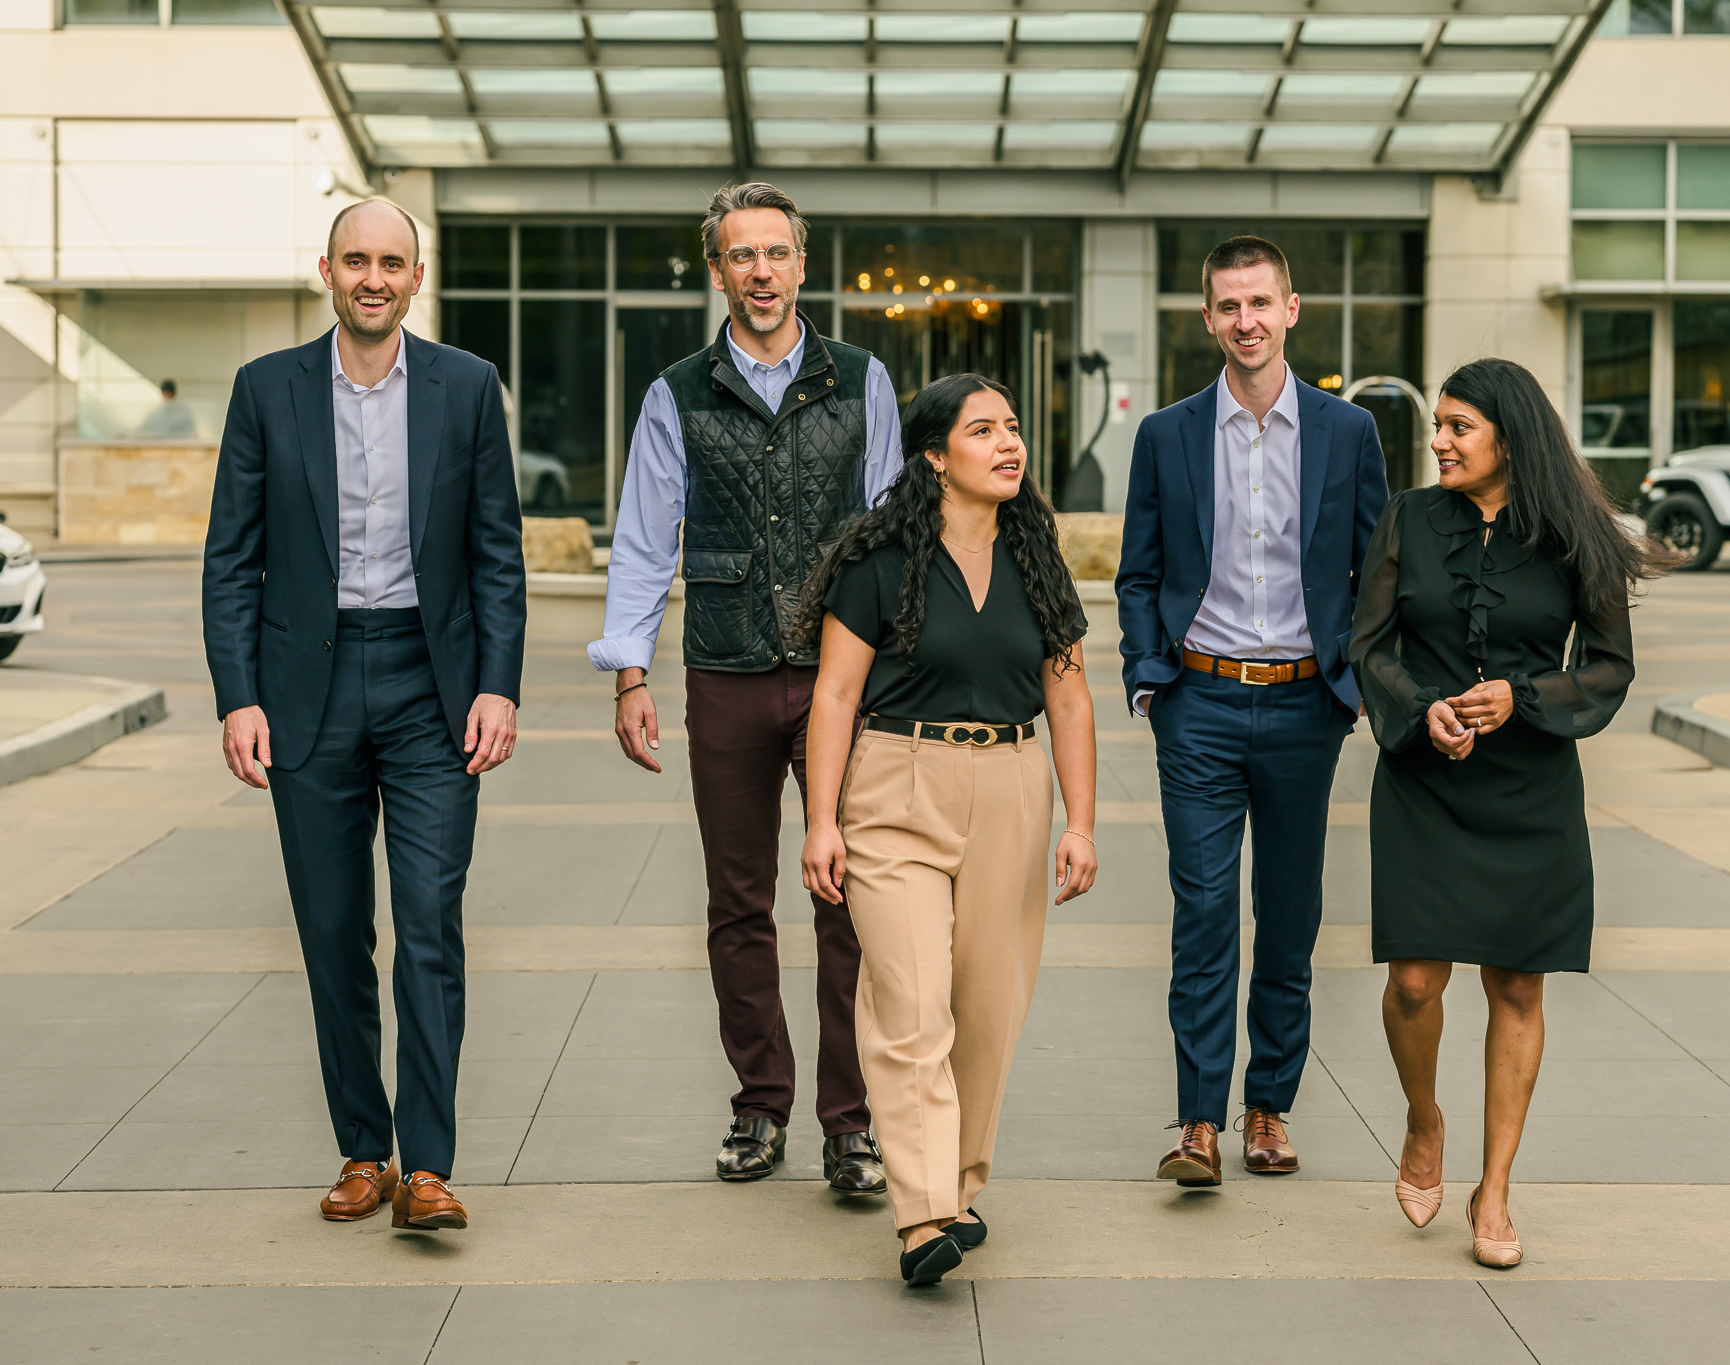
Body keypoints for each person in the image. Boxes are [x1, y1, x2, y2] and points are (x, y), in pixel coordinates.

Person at [202, 199, 525, 1232]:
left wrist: (498, 683)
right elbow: (231, 562)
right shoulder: (266, 390)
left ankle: (426, 1167)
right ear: (326, 272)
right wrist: (239, 695)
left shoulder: (467, 388)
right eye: (356, 261)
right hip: (309, 690)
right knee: (334, 931)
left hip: (435, 691)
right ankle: (362, 1150)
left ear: (414, 278)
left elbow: (496, 556)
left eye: (392, 262)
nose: (373, 278)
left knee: (430, 928)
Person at [587, 182, 903, 1193]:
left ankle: (849, 1122)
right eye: (740, 255)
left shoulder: (861, 379)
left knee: (848, 898)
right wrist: (629, 667)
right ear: (717, 270)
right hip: (723, 669)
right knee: (737, 902)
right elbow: (643, 539)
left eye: (776, 253)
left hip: (840, 678)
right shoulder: (675, 392)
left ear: (801, 266)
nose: (760, 272)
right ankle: (759, 1105)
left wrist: (900, 661)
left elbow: (894, 525)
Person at [1352, 356, 1674, 1267]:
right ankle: (1423, 1121)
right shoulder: (1408, 519)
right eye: (1439, 425)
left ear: (1509, 436)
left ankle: (1494, 1189)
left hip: (1530, 786)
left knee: (1516, 986)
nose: (1439, 440)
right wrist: (1426, 710)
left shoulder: (1582, 536)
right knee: (1414, 980)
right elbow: (1369, 645)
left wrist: (1520, 695)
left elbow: (1610, 664)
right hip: (1425, 777)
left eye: (1458, 425)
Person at [796, 373, 1098, 1286]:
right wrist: (819, 821)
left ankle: (961, 1186)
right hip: (896, 784)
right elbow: (836, 694)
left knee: (988, 1009)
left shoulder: (1038, 555)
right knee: (909, 1000)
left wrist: (1080, 821)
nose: (1009, 443)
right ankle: (923, 1212)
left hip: (1011, 782)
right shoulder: (878, 558)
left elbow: (1070, 696)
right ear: (935, 456)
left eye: (1012, 426)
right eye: (983, 430)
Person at [1116, 234, 1388, 1187]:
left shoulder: (1349, 434)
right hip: (1199, 704)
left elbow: (1374, 574)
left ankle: (1269, 1106)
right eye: (1228, 307)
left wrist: (1351, 684)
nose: (1245, 321)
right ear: (1207, 319)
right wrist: (1149, 674)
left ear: (1291, 309)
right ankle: (1199, 1121)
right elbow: (1139, 570)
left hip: (1305, 708)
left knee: (1289, 913)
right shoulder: (1167, 434)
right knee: (1203, 911)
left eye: (1260, 303)